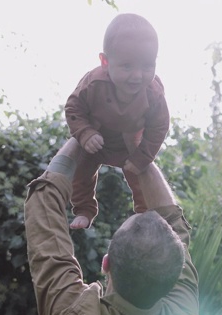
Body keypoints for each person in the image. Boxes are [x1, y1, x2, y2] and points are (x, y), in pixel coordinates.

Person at [24, 138, 199, 315]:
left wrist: (81, 134)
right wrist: (139, 151)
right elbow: (173, 223)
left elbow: (43, 207)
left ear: (106, 263)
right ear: (176, 275)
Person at [65, 13, 170, 229]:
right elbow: (74, 107)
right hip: (97, 138)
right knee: (81, 170)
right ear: (105, 62)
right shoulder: (93, 84)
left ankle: (144, 213)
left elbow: (159, 126)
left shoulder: (154, 93)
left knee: (140, 176)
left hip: (131, 143)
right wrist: (85, 133)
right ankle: (84, 209)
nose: (137, 76)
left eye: (147, 66)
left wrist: (143, 156)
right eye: (127, 66)